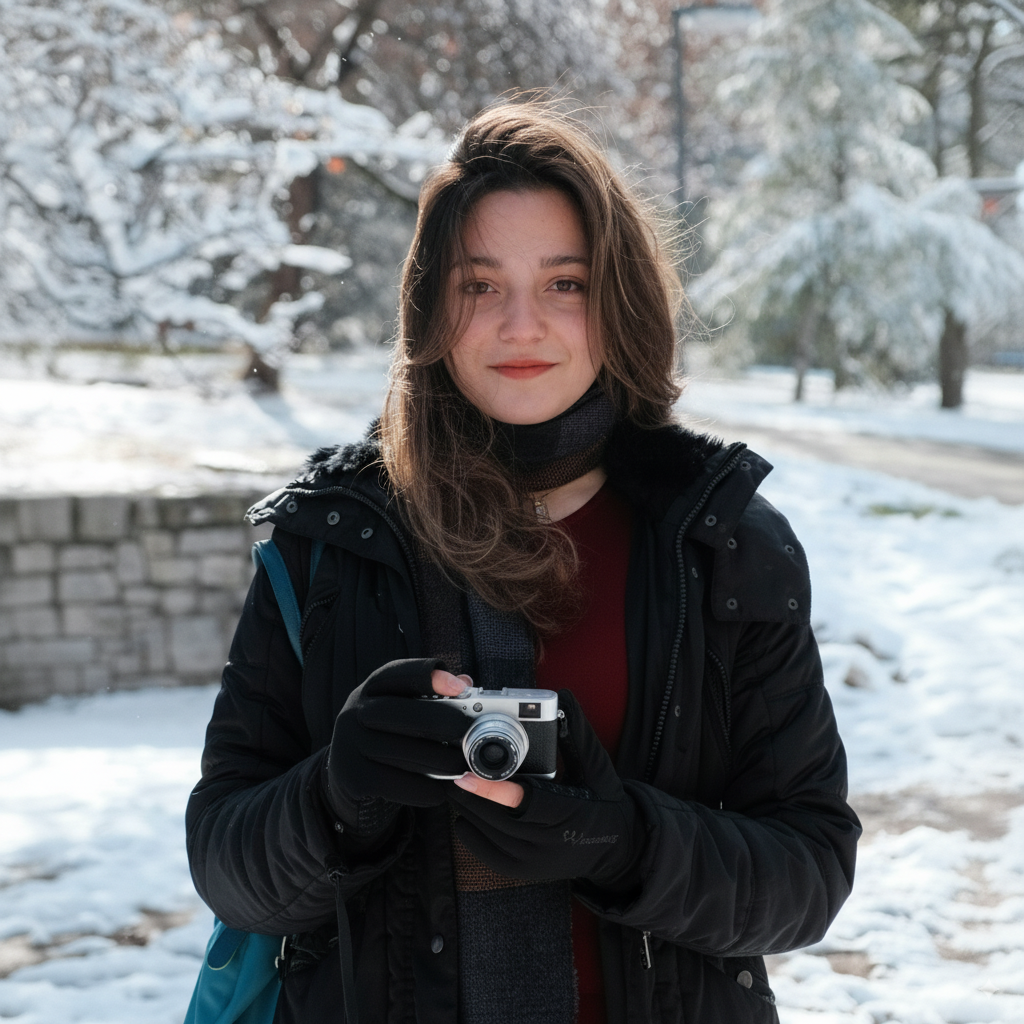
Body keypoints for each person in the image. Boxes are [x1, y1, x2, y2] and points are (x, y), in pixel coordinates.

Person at [186, 103, 860, 1024]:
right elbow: (226, 861)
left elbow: (807, 871)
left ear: (616, 300)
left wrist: (620, 841)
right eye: (479, 284)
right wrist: (336, 796)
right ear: (431, 306)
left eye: (565, 284)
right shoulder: (330, 541)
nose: (521, 326)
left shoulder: (721, 541)